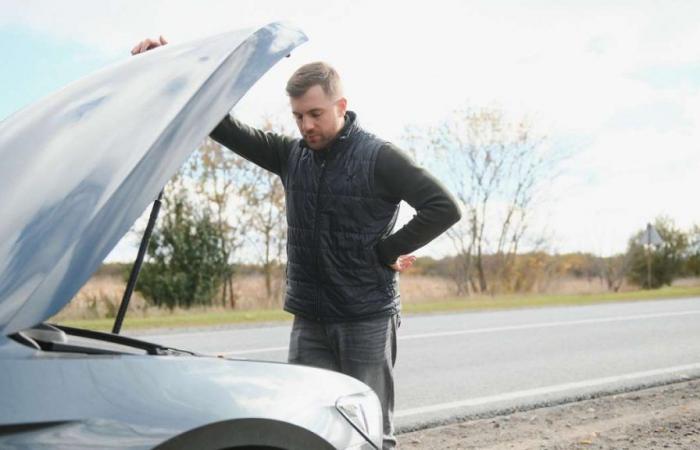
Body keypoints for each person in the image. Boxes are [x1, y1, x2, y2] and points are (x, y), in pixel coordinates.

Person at [132, 37, 461, 449]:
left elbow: (443, 207)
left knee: (368, 432)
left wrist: (385, 250)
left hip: (365, 317)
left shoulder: (380, 157)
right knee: (306, 429)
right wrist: (178, 68)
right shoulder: (291, 155)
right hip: (309, 318)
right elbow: (223, 125)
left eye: (316, 114)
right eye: (298, 116)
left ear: (341, 106)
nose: (306, 126)